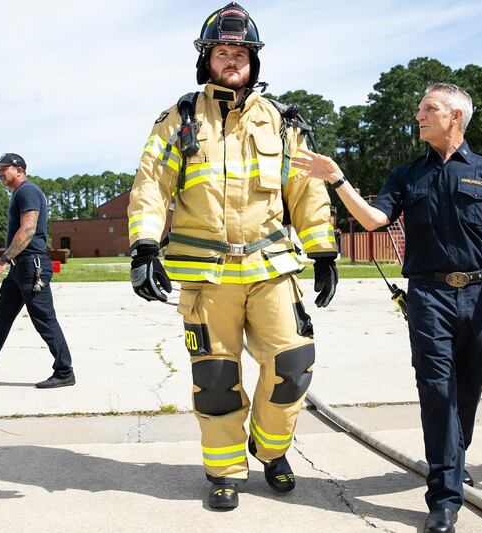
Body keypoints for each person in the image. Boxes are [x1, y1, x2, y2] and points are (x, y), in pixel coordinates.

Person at [292, 83, 482, 533]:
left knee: (469, 387)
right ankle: (444, 499)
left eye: (429, 109)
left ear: (456, 117)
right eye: (419, 109)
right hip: (428, 297)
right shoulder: (407, 175)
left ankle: (451, 458)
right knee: (438, 392)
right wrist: (337, 179)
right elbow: (373, 220)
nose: (419, 116)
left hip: (481, 295)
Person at [127, 2, 338, 511]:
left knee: (293, 363)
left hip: (270, 269)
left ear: (254, 61)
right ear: (206, 60)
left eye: (241, 52)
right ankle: (223, 469)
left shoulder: (282, 121)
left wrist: (324, 250)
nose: (232, 60)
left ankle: (271, 449)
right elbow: (152, 185)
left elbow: (305, 188)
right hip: (205, 275)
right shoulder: (178, 120)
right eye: (222, 51)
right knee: (217, 379)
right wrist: (144, 246)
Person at [0, 153, 75, 390]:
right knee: (1, 318)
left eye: (4, 168)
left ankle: (64, 371)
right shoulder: (19, 194)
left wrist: (3, 259)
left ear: (19, 170)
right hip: (20, 269)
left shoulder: (27, 191)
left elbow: (28, 230)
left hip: (31, 265)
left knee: (44, 320)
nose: (0, 172)